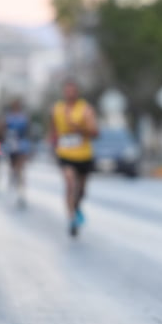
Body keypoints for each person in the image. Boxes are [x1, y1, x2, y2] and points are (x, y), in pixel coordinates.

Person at [49, 78, 99, 237]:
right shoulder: (57, 109)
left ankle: (76, 207)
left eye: (73, 90)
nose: (70, 93)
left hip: (84, 154)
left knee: (82, 191)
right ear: (64, 92)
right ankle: (71, 220)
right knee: (70, 184)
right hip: (65, 153)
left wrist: (81, 129)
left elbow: (95, 133)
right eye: (67, 90)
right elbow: (53, 131)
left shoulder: (86, 109)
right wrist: (53, 144)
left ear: (77, 92)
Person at [2, 98, 32, 208]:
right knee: (13, 168)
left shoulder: (24, 116)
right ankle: (13, 182)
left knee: (21, 168)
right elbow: (4, 130)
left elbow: (28, 129)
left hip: (22, 145)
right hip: (11, 145)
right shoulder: (8, 117)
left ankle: (21, 193)